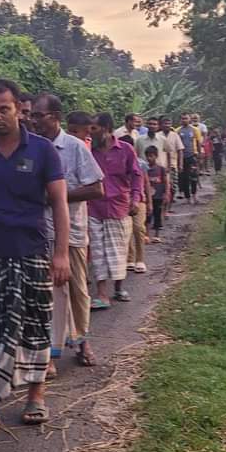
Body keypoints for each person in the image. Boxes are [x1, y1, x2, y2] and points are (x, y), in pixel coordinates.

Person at [0, 79, 70, 441]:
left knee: (34, 324)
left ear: (19, 109)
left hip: (33, 252)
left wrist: (61, 253)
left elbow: (60, 204)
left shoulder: (42, 150)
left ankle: (36, 395)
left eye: (3, 109)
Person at [32, 98, 104, 375]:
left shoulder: (74, 147)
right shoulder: (30, 147)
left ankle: (82, 341)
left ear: (55, 116)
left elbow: (96, 189)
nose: (34, 121)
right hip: (38, 232)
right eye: (32, 115)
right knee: (43, 293)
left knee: (76, 290)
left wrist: (57, 197)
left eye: (39, 115)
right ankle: (48, 351)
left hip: (71, 232)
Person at [88, 113, 143, 307]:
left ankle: (118, 288)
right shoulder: (89, 151)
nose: (90, 132)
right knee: (98, 251)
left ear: (105, 129)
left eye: (94, 128)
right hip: (93, 207)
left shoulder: (126, 149)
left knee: (118, 250)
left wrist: (135, 199)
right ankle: (102, 294)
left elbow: (136, 175)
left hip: (119, 206)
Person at [119, 135, 151, 275]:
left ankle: (140, 259)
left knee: (138, 228)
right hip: (123, 199)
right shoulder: (117, 162)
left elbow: (146, 182)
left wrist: (149, 201)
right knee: (127, 230)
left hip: (139, 199)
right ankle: (130, 258)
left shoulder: (141, 163)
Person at [157, 116, 184, 214]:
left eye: (169, 124)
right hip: (160, 164)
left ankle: (169, 207)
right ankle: (161, 209)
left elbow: (180, 150)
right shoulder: (157, 135)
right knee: (161, 188)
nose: (167, 125)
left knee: (173, 187)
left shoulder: (175, 135)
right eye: (165, 123)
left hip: (173, 165)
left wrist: (180, 164)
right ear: (161, 125)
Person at [176, 113, 202, 205]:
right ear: (180, 120)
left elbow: (198, 143)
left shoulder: (195, 130)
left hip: (192, 156)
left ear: (189, 119)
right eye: (183, 118)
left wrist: (199, 155)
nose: (184, 120)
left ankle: (194, 195)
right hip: (182, 157)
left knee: (194, 177)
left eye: (186, 118)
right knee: (185, 178)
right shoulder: (178, 130)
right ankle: (187, 197)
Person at [145, 146, 170, 242]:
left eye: (151, 156)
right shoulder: (145, 169)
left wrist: (166, 193)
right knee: (147, 215)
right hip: (148, 196)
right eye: (147, 156)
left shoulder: (161, 169)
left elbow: (166, 182)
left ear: (156, 156)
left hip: (158, 196)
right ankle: (146, 235)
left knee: (157, 214)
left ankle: (156, 234)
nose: (149, 158)